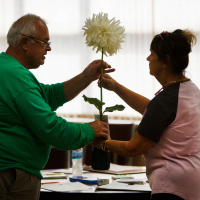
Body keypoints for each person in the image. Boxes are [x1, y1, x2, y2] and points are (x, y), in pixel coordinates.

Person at [0, 14, 113, 200]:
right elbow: (51, 128)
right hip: (11, 177)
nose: (49, 48)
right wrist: (89, 130)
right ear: (25, 42)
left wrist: (86, 77)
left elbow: (48, 96)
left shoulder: (8, 67)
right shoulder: (14, 75)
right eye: (44, 41)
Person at [93, 29, 200, 200]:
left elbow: (134, 148)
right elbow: (153, 111)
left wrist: (103, 144)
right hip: (192, 182)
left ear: (165, 61)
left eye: (152, 54)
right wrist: (116, 87)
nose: (148, 58)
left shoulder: (166, 100)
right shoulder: (190, 90)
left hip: (171, 187)